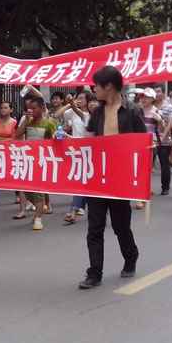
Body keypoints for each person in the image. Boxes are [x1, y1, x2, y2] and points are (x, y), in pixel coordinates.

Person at [79, 66, 146, 290]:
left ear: (108, 86)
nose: (93, 89)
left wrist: (139, 187)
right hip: (98, 176)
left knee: (120, 225)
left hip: (121, 177)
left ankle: (131, 256)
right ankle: (94, 272)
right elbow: (88, 140)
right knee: (94, 227)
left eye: (96, 85)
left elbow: (142, 147)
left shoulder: (133, 111)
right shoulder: (97, 112)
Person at [15, 96, 57, 231]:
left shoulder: (49, 123)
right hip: (28, 160)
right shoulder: (28, 122)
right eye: (29, 108)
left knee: (38, 191)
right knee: (27, 190)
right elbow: (17, 134)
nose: (31, 111)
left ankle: (38, 218)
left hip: (42, 161)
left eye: (34, 108)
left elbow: (56, 139)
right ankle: (41, 207)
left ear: (42, 108)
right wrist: (25, 122)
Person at [55, 91, 94, 224]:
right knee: (81, 182)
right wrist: (69, 105)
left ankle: (75, 209)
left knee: (85, 182)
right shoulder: (73, 112)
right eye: (78, 98)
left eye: (82, 98)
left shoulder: (89, 116)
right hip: (76, 152)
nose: (80, 100)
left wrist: (72, 103)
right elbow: (57, 115)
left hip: (90, 153)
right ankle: (76, 209)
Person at [0, 101, 18, 208]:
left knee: (13, 173)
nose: (3, 110)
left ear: (11, 110)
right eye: (1, 108)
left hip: (10, 151)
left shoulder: (14, 122)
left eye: (6, 108)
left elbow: (14, 138)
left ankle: (18, 194)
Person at [153, 87, 172, 195]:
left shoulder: (169, 107)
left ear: (163, 93)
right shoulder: (150, 106)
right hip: (151, 139)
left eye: (158, 91)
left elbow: (170, 123)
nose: (157, 94)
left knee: (164, 163)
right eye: (155, 91)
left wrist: (163, 137)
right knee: (148, 165)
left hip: (164, 140)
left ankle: (165, 187)